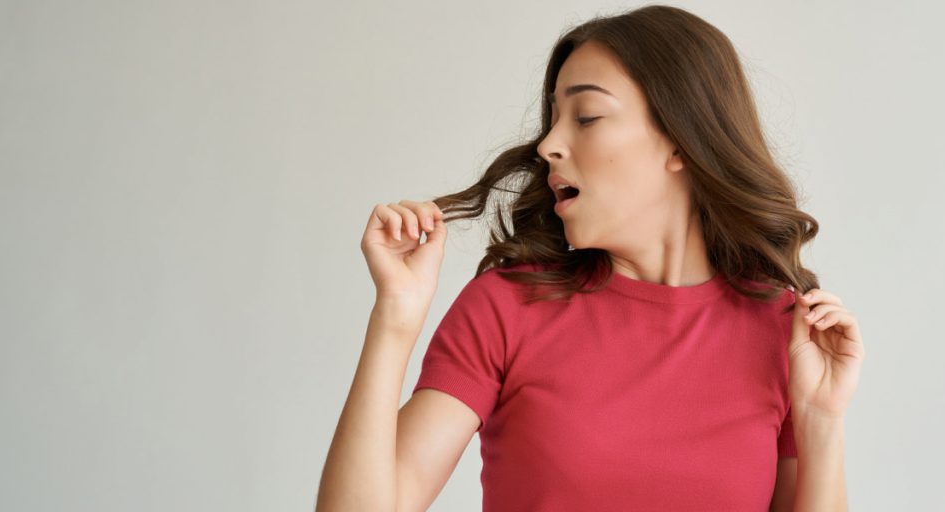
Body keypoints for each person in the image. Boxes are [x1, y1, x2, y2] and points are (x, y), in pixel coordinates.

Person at [316, 4, 865, 511]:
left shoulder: (782, 332)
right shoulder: (509, 306)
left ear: (680, 138)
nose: (547, 144)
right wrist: (396, 314)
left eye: (585, 117)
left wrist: (821, 422)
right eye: (553, 119)